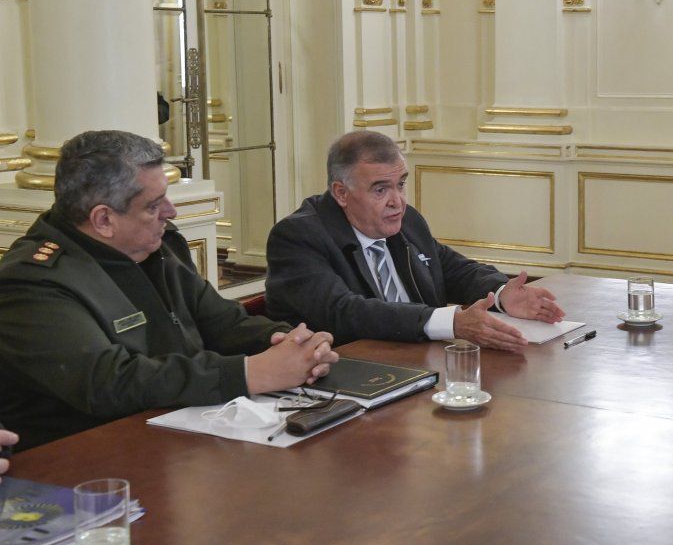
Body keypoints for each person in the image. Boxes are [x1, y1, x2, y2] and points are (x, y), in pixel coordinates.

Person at [0, 131, 339, 450]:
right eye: (153, 205)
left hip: (182, 431)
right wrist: (251, 373)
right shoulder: (32, 282)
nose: (170, 212)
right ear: (103, 220)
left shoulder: (157, 246)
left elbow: (225, 323)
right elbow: (110, 383)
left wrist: (289, 343)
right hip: (88, 458)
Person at [265, 130, 565, 352]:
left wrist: (501, 294)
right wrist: (451, 322)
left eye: (401, 185)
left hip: (419, 364)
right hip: (346, 376)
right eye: (380, 190)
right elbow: (345, 313)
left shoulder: (406, 221)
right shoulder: (298, 238)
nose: (397, 201)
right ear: (341, 193)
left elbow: (452, 269)